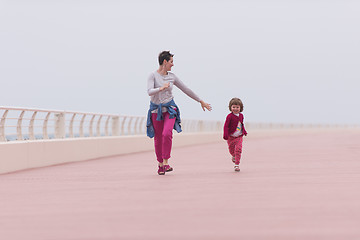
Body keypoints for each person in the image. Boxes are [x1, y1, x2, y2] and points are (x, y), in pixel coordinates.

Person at [147, 51, 212, 175]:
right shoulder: (153, 76)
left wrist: (200, 101)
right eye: (171, 61)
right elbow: (149, 91)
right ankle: (160, 164)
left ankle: (166, 162)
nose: (173, 64)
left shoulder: (172, 76)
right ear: (164, 62)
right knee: (158, 138)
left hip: (170, 109)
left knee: (167, 133)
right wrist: (160, 88)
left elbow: (186, 89)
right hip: (156, 110)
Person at [223, 97, 247, 172]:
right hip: (231, 137)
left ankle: (237, 165)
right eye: (233, 107)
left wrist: (244, 131)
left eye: (237, 107)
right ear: (230, 107)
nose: (235, 109)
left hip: (239, 136)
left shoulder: (241, 116)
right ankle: (233, 156)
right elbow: (226, 126)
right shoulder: (229, 116)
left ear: (240, 108)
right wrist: (225, 134)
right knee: (231, 150)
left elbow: (241, 124)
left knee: (238, 149)